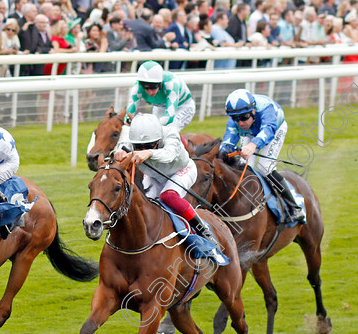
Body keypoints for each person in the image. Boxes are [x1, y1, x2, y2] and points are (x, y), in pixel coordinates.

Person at [112, 113, 222, 259]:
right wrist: (117, 153)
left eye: (149, 145)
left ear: (158, 138)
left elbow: (169, 155)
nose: (143, 148)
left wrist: (148, 152)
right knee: (144, 208)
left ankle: (202, 229)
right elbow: (118, 149)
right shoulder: (131, 137)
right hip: (154, 175)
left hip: (182, 170)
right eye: (139, 146)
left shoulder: (170, 133)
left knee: (168, 196)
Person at [219, 89, 304, 224]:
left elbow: (268, 130)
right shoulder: (235, 122)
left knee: (265, 167)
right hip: (251, 132)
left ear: (253, 111)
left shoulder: (265, 108)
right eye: (236, 119)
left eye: (244, 117)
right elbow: (227, 143)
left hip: (274, 129)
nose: (240, 123)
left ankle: (294, 207)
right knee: (243, 168)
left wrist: (252, 146)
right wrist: (225, 152)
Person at [125, 60, 195, 132]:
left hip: (183, 106)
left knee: (169, 131)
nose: (150, 92)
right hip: (160, 107)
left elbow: (169, 117)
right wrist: (129, 121)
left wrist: (146, 125)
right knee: (151, 133)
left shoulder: (171, 84)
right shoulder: (137, 88)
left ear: (160, 83)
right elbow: (128, 115)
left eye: (153, 87)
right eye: (146, 88)